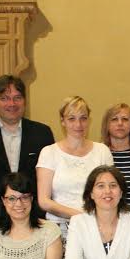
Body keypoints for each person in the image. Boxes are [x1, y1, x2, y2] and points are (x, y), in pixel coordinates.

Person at [0, 75, 55, 226]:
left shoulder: (42, 134)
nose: (12, 103)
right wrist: (3, 209)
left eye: (17, 97)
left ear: (25, 101)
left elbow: (49, 180)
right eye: (5, 98)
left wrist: (26, 209)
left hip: (34, 220)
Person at [36, 96, 114, 238]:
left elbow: (110, 192)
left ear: (89, 120)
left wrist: (95, 219)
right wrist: (81, 217)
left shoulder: (102, 151)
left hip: (98, 227)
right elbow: (44, 201)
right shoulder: (49, 152)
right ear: (63, 121)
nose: (78, 124)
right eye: (71, 118)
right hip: (59, 229)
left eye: (83, 118)